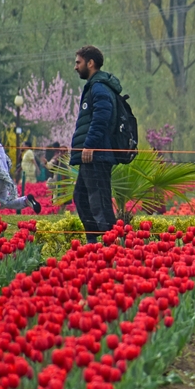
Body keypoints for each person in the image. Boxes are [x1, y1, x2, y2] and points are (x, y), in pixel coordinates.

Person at [70, 45, 123, 244]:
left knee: (99, 203)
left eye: (78, 62)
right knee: (82, 198)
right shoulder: (94, 86)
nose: (76, 67)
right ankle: (93, 243)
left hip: (96, 155)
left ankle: (112, 247)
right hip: (90, 156)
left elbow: (102, 118)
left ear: (90, 63)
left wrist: (90, 145)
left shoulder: (99, 87)